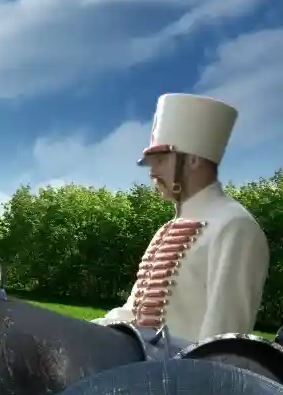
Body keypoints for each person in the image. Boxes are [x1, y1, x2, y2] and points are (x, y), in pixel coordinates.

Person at [95, 93, 269, 344]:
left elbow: (221, 337)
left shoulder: (234, 226)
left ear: (194, 160)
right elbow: (135, 313)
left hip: (182, 376)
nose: (153, 172)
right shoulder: (168, 228)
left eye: (162, 160)